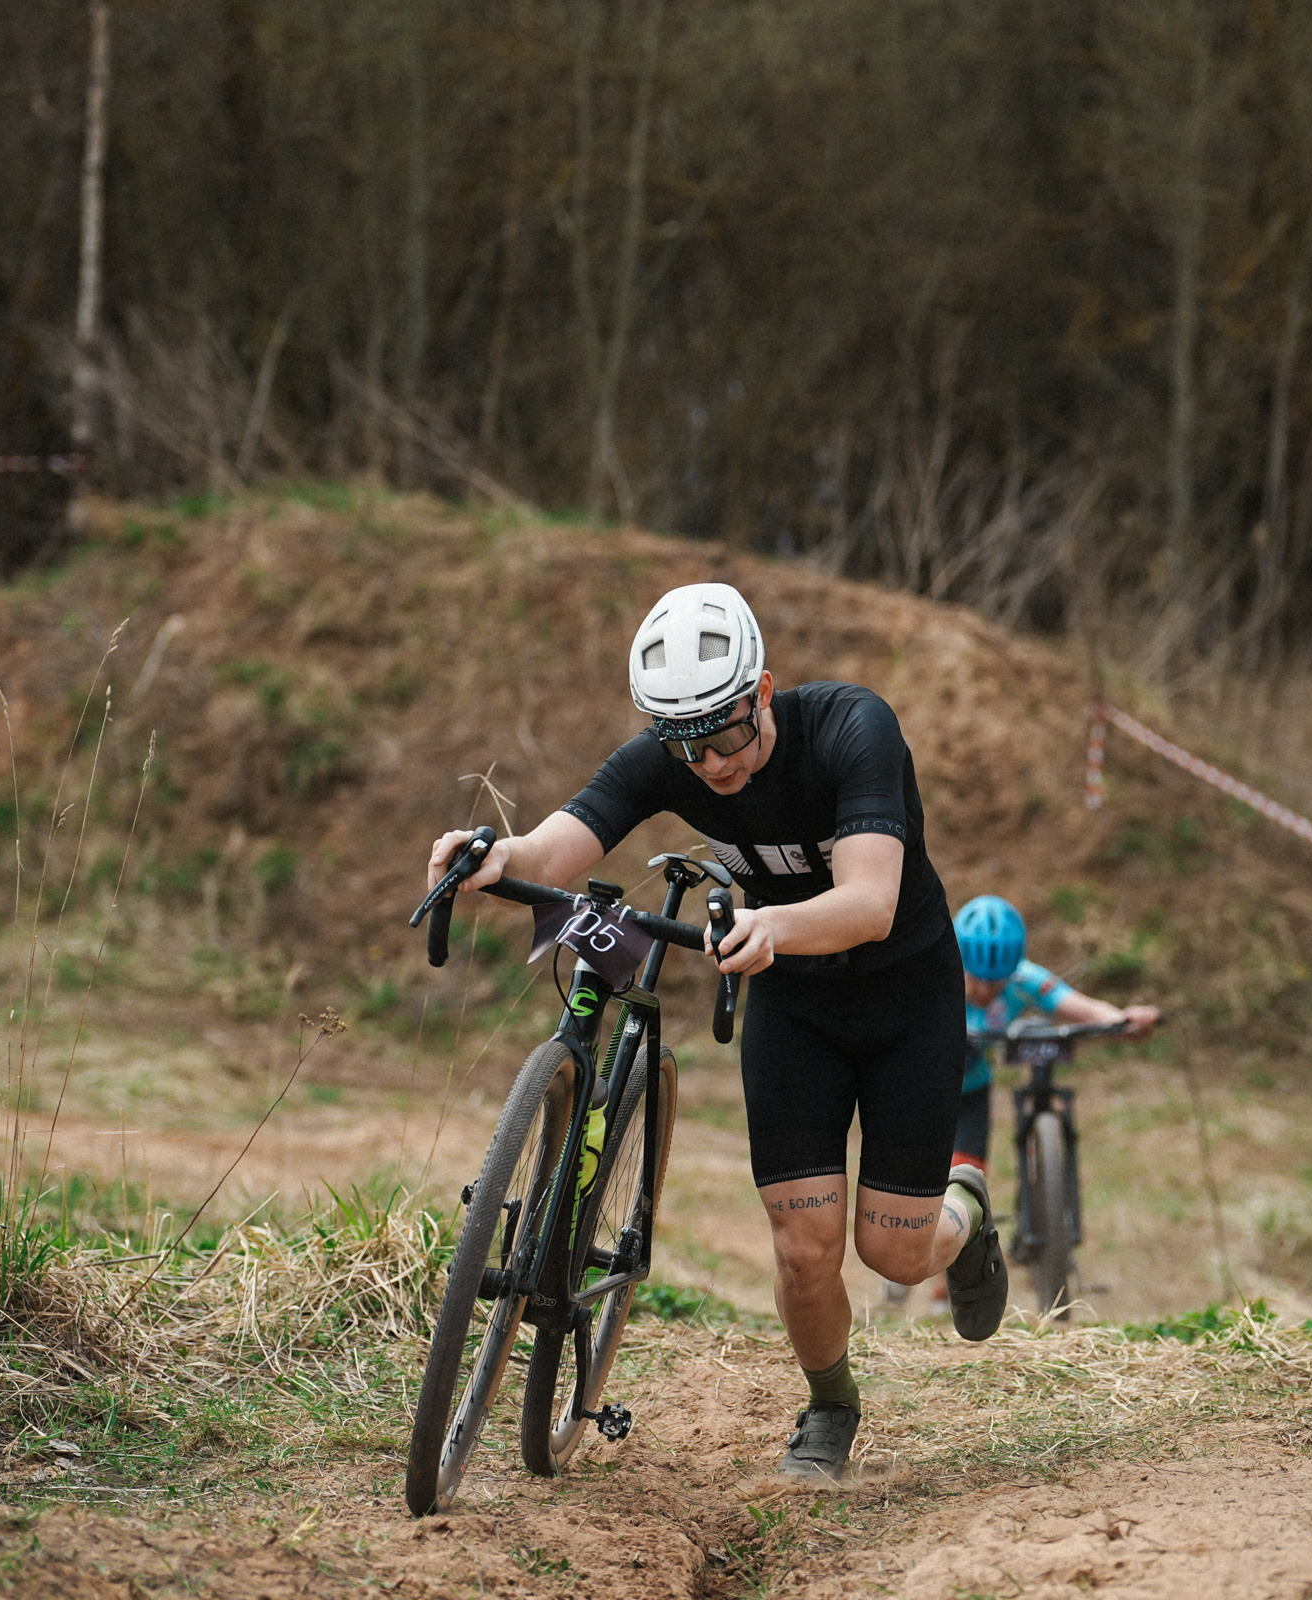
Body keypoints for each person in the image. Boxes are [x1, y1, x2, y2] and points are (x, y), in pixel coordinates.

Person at [423, 581, 1007, 1481]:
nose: (712, 762)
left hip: (905, 996)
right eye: (685, 745)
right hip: (793, 999)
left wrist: (776, 922)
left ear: (762, 691)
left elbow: (871, 900)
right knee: (803, 1247)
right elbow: (564, 839)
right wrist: (492, 858)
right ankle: (830, 1405)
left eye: (728, 733)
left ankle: (966, 1221)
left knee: (893, 1249)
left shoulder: (854, 729)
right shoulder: (676, 751)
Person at [884, 894, 1159, 1308]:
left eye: (996, 982)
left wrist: (1122, 1020)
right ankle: (899, 1266)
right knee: (915, 1185)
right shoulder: (930, 973)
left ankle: (949, 1286)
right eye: (976, 979)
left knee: (964, 1183)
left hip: (972, 1092)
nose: (984, 990)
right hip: (922, 1091)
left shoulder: (1022, 978)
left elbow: (1078, 1007)